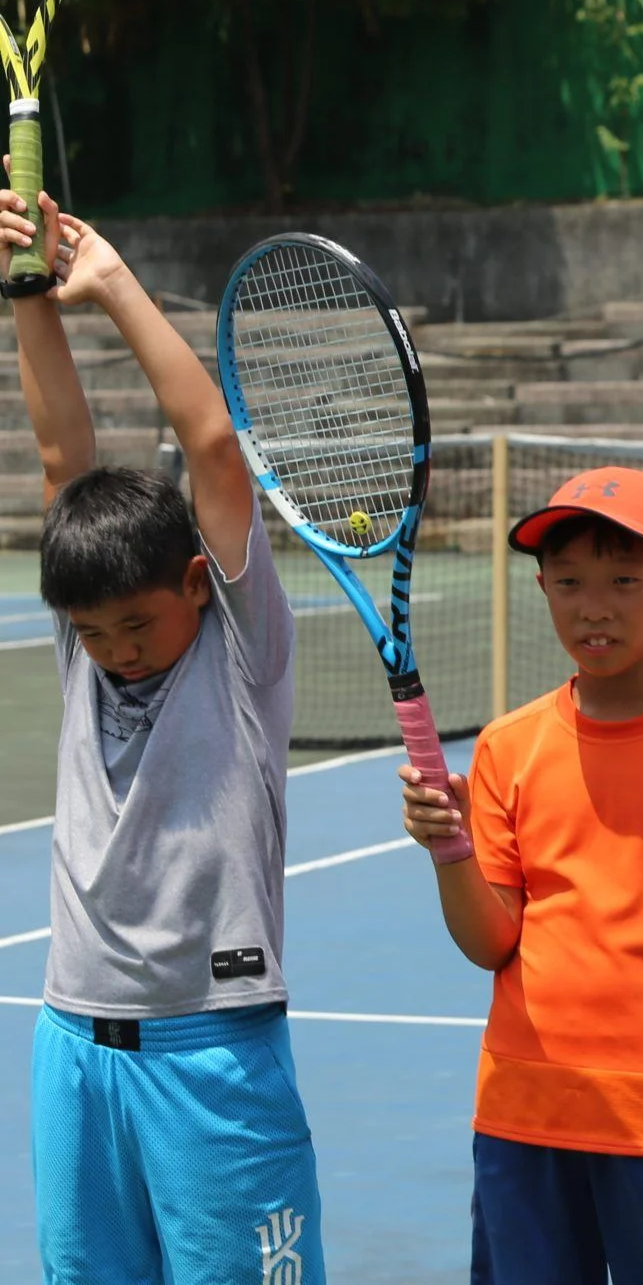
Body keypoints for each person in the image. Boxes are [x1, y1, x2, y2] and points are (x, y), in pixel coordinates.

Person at [7, 191, 328, 1283]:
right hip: (73, 1049)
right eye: (94, 634)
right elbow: (64, 458)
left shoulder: (240, 654)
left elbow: (213, 448)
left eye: (136, 623)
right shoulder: (85, 643)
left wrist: (104, 280)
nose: (116, 649)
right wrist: (28, 292)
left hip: (213, 1052)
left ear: (198, 581)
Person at [398, 468, 643, 1285]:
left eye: (625, 580)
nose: (594, 606)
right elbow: (492, 941)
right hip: (523, 1119)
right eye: (571, 582)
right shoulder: (508, 747)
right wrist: (448, 851)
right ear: (542, 586)